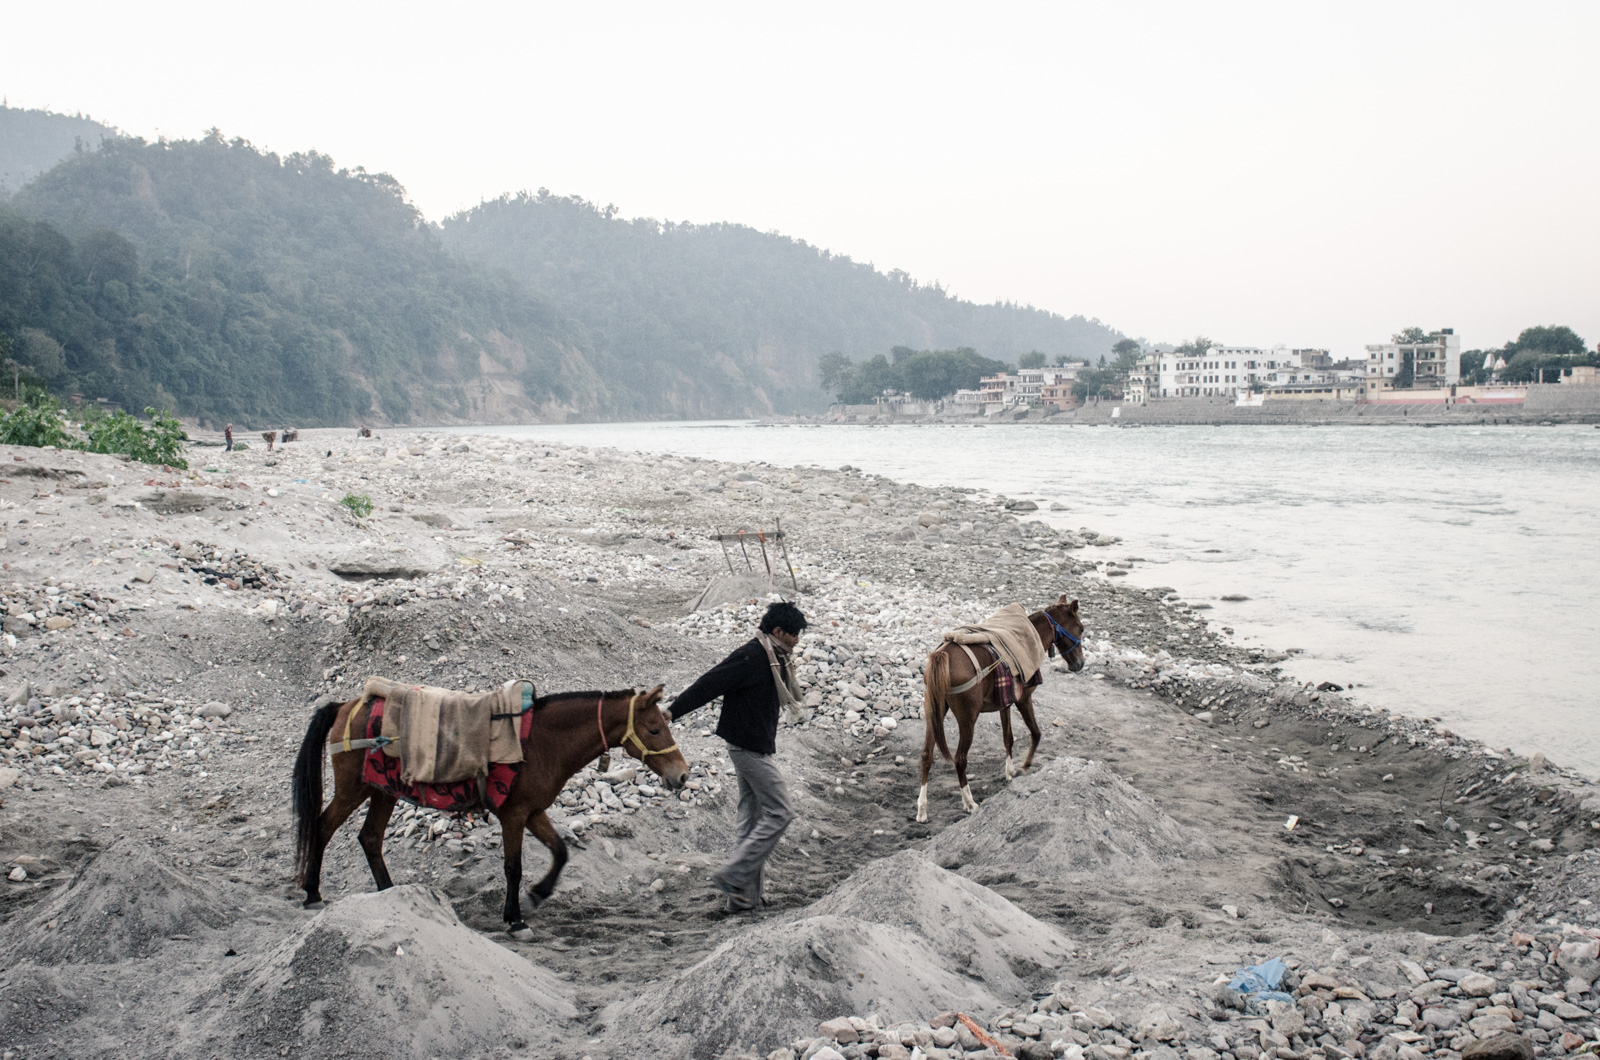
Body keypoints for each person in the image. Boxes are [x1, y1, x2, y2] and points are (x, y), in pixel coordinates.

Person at [669, 600, 807, 911]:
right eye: (794, 634)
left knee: (751, 820)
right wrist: (672, 712)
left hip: (753, 745)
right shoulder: (752, 656)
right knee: (781, 813)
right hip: (747, 749)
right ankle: (733, 875)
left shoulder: (776, 657)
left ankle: (743, 899)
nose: (797, 639)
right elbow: (709, 683)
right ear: (778, 630)